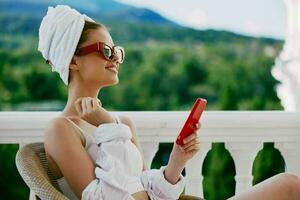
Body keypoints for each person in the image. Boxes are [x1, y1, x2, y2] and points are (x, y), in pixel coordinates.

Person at [39, 5, 300, 200]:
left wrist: (176, 162)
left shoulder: (122, 123)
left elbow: (146, 190)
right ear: (72, 61)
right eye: (106, 51)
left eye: (117, 51)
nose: (116, 58)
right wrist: (109, 129)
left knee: (291, 185)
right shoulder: (62, 129)